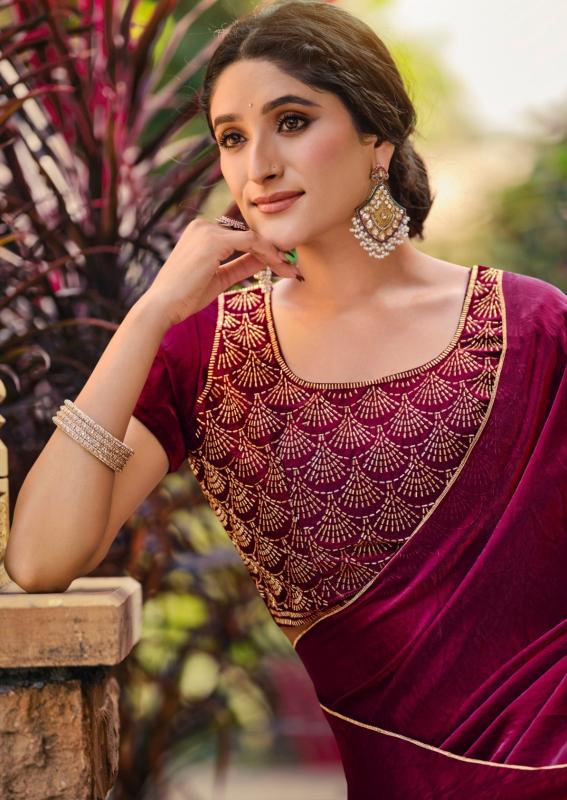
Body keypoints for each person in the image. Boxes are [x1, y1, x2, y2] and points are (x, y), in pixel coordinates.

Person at [5, 1, 567, 796]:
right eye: (232, 137)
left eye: (292, 122)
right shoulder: (210, 353)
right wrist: (151, 311)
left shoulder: (530, 325)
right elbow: (39, 559)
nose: (259, 165)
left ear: (377, 138)